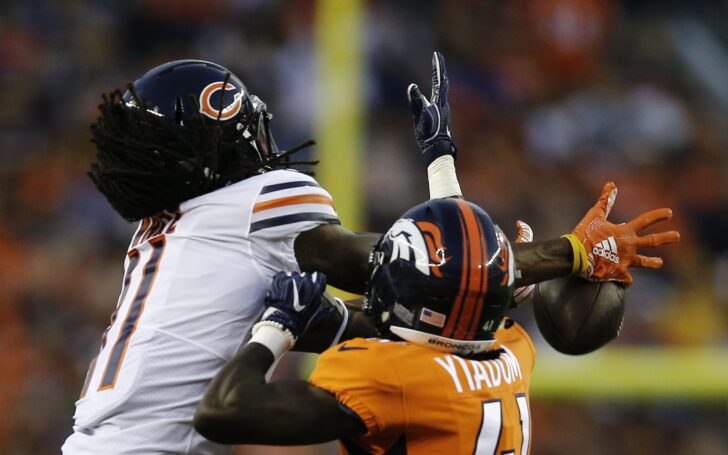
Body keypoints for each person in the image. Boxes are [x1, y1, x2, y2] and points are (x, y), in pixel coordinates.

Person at [63, 53, 677, 454]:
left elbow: (402, 296)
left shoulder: (166, 234)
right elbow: (420, 268)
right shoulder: (250, 206)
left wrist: (282, 329)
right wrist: (571, 253)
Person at [193, 190, 677, 453]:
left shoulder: (393, 376)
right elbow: (463, 287)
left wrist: (276, 328)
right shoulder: (513, 346)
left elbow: (224, 412)